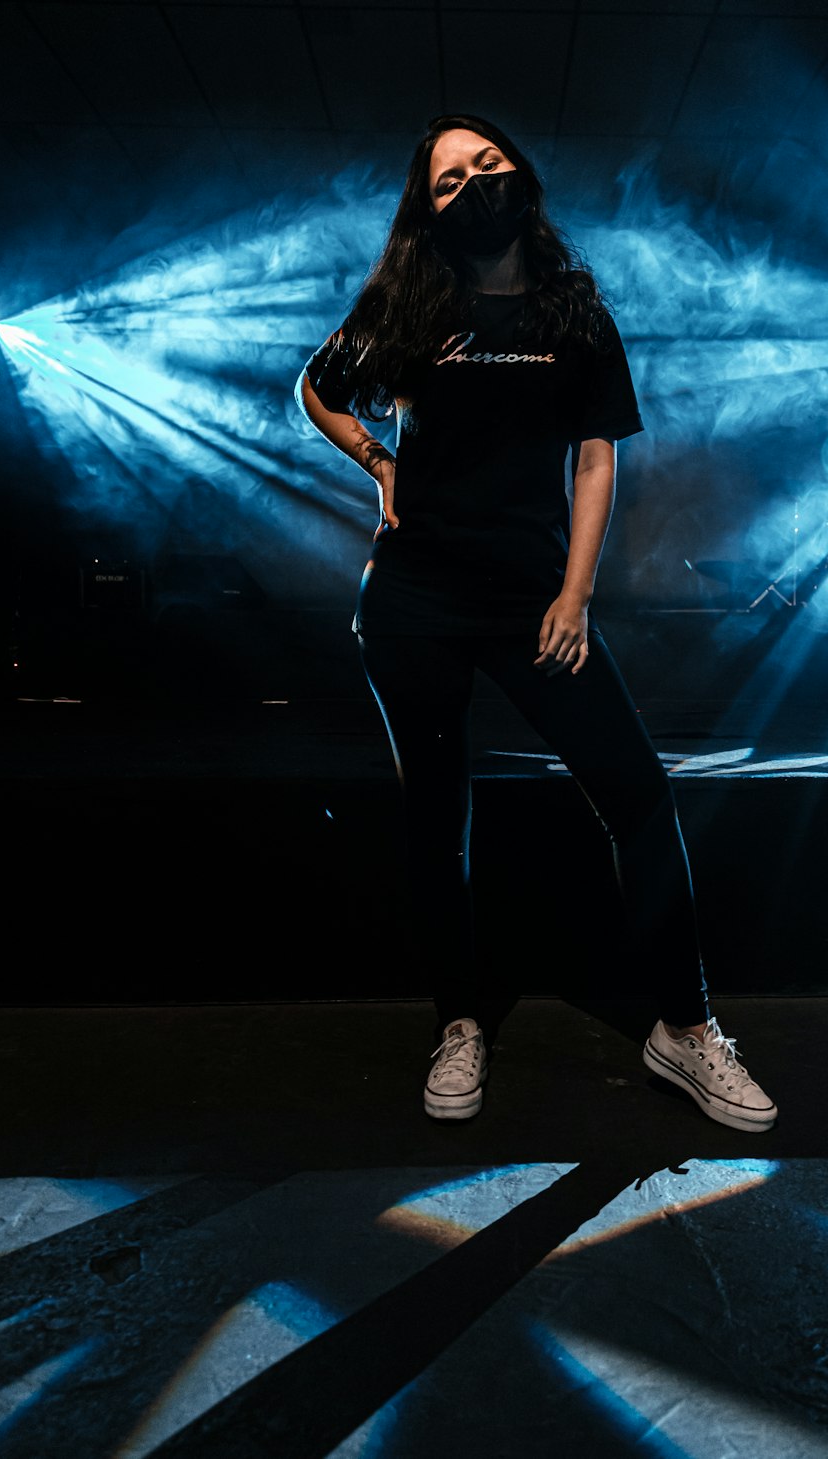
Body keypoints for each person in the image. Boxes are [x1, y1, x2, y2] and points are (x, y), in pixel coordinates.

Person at [296, 114, 776, 1134]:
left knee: (639, 795)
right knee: (439, 818)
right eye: (448, 179)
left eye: (488, 165)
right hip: (415, 604)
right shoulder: (409, 298)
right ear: (426, 209)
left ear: (522, 175)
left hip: (531, 604)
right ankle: (461, 1025)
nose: (474, 185)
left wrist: (574, 593)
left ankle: (684, 1031)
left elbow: (597, 453)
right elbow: (317, 388)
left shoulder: (573, 305)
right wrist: (380, 462)